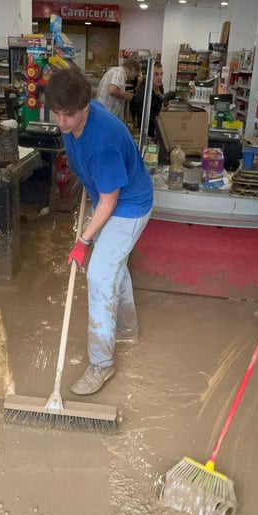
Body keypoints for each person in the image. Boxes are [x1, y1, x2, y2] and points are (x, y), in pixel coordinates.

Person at [45, 67, 154, 396]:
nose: (62, 123)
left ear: (86, 106)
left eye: (68, 115)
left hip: (128, 205)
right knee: (113, 267)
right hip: (107, 197)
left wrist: (83, 241)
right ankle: (128, 328)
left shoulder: (104, 140)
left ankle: (102, 364)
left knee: (99, 274)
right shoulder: (73, 118)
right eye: (56, 114)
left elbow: (110, 201)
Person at [130, 61, 167, 139]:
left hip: (158, 127)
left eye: (161, 74)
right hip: (147, 131)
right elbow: (143, 118)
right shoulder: (143, 93)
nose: (160, 77)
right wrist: (160, 114)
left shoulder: (159, 86)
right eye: (156, 74)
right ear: (148, 75)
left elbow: (161, 101)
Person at [96, 57, 141, 122]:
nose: (133, 78)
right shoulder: (119, 72)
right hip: (105, 116)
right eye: (135, 75)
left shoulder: (118, 72)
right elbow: (112, 90)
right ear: (133, 69)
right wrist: (125, 95)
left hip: (105, 116)